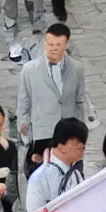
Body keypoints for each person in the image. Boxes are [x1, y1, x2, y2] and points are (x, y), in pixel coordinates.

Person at [17, 23, 89, 179]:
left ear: (66, 44)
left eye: (58, 44)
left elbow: (80, 101)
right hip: (42, 135)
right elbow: (23, 104)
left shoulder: (77, 68)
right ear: (45, 43)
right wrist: (25, 133)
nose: (53, 48)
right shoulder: (29, 70)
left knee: (71, 177)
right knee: (41, 179)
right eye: (50, 44)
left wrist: (82, 131)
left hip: (69, 134)